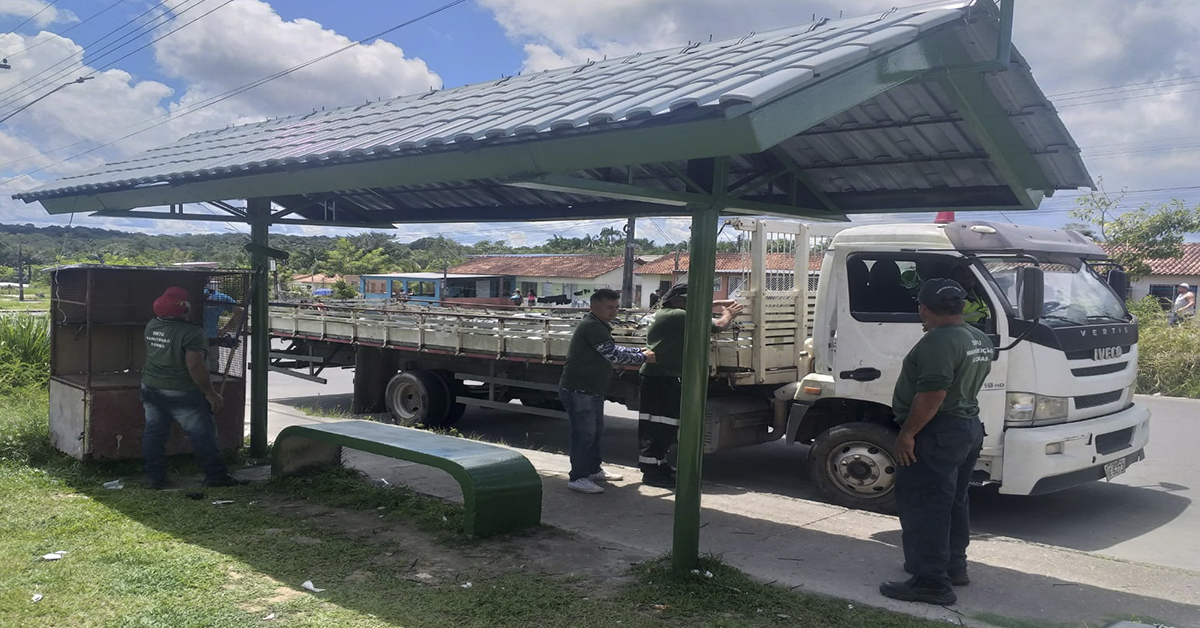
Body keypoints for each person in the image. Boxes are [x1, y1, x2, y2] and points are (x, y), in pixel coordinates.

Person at [880, 279, 993, 606]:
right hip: (966, 427)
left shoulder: (938, 342)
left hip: (937, 432)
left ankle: (930, 582)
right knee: (953, 502)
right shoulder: (978, 337)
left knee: (925, 506)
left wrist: (908, 434)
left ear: (924, 307)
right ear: (960, 306)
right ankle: (953, 567)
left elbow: (933, 393)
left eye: (921, 309)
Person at [637, 283, 744, 488]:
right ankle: (652, 472)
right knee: (660, 425)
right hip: (662, 378)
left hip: (662, 377)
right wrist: (729, 313)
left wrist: (720, 302)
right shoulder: (677, 315)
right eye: (689, 300)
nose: (693, 305)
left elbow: (698, 308)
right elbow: (719, 325)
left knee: (664, 425)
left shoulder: (670, 312)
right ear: (677, 300)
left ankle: (659, 465)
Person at [141, 287, 243, 489]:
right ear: (185, 309)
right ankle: (215, 476)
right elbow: (195, 365)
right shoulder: (193, 332)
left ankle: (154, 477)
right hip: (181, 391)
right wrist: (210, 393)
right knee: (202, 434)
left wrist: (219, 340)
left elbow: (177, 342)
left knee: (154, 434)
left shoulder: (152, 325)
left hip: (151, 387)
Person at [559, 288, 656, 494]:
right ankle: (578, 477)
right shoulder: (592, 326)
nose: (613, 311)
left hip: (591, 389)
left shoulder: (600, 324)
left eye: (616, 307)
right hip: (579, 388)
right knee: (584, 434)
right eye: (608, 307)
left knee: (594, 433)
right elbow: (613, 355)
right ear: (593, 307)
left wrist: (638, 351)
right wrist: (643, 357)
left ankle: (592, 469)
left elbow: (614, 349)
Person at [202, 283, 242, 373]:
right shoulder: (219, 297)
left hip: (190, 340)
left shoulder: (187, 296)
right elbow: (240, 312)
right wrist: (225, 329)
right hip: (211, 338)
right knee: (212, 371)